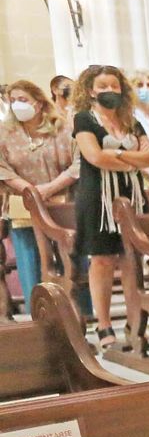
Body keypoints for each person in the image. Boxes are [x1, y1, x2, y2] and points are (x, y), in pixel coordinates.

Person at [72, 64, 149, 347]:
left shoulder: (131, 121)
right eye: (103, 86)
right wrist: (131, 155)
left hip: (131, 195)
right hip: (98, 197)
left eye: (114, 86)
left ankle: (135, 323)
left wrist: (117, 154)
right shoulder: (85, 119)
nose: (110, 90)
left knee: (131, 259)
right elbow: (94, 156)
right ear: (90, 91)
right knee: (103, 259)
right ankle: (104, 324)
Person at [0, 79, 78, 313]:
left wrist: (50, 188)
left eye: (23, 100)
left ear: (40, 103)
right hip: (23, 204)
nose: (17, 105)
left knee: (69, 257)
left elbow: (79, 162)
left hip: (61, 200)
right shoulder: (5, 133)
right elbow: (2, 168)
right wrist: (31, 191)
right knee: (30, 260)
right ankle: (39, 312)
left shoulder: (61, 127)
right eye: (12, 101)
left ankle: (78, 313)